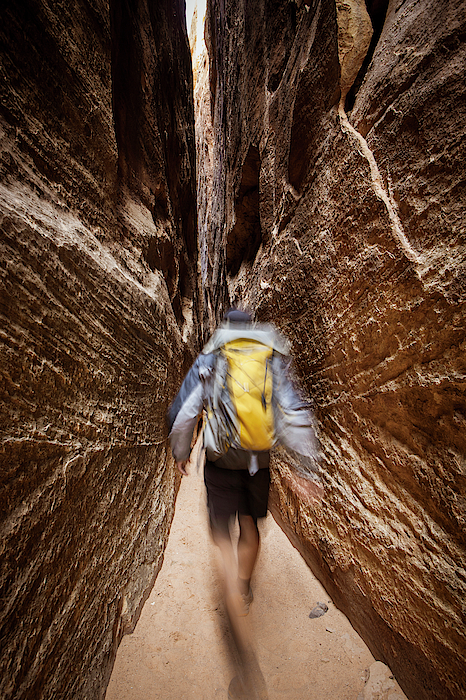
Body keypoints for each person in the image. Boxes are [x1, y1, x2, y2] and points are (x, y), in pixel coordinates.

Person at [167, 308, 321, 699]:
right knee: (250, 528)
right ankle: (244, 587)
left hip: (219, 462)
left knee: (222, 537)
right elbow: (292, 412)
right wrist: (306, 468)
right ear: (250, 329)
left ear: (225, 328)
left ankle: (235, 615)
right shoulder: (269, 356)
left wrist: (181, 452)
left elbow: (186, 412)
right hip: (258, 462)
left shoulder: (212, 356)